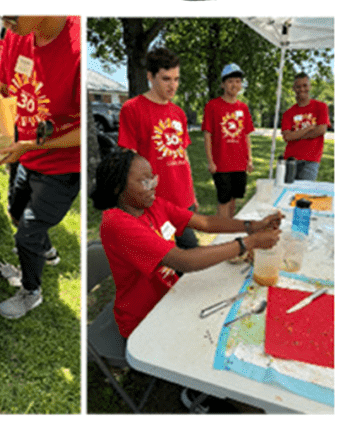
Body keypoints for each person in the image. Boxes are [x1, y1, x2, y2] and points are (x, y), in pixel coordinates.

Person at [0, 16, 81, 319]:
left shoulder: (76, 47)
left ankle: (31, 292)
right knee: (16, 213)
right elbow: (3, 90)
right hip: (25, 155)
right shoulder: (16, 35)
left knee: (26, 234)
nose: (5, 20)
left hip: (61, 166)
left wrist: (33, 145)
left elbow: (84, 131)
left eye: (12, 13)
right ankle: (46, 251)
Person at [91, 150, 282, 338]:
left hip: (169, 297)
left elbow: (205, 223)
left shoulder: (153, 205)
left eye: (153, 179)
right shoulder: (117, 224)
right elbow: (183, 261)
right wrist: (249, 242)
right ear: (117, 188)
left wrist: (252, 226)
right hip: (143, 319)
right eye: (144, 182)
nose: (153, 187)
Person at [117, 47, 199, 250]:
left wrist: (192, 194)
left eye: (176, 79)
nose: (173, 85)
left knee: (191, 251)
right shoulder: (132, 108)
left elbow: (183, 154)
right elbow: (128, 158)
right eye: (166, 79)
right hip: (155, 202)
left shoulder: (179, 113)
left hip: (184, 199)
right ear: (150, 77)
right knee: (163, 257)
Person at [203, 63, 254, 219]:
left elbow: (246, 135)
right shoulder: (212, 106)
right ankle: (222, 229)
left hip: (240, 162)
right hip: (221, 163)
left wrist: (250, 159)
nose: (234, 85)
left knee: (234, 199)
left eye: (238, 81)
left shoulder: (243, 108)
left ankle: (229, 227)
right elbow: (207, 135)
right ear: (223, 84)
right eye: (230, 81)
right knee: (224, 200)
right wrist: (211, 161)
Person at [280, 72, 331, 181]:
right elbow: (287, 137)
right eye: (298, 86)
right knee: (287, 190)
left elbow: (321, 130)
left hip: (311, 160)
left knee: (305, 190)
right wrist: (308, 128)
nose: (302, 89)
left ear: (310, 86)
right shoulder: (288, 113)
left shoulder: (321, 107)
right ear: (294, 88)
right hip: (290, 159)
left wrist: (295, 135)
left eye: (305, 85)